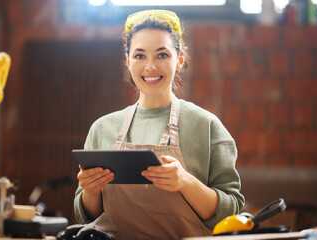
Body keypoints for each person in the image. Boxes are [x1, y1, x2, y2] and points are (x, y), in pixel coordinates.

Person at [74, 9, 244, 240]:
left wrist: (185, 182)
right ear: (128, 60)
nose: (150, 67)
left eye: (162, 55)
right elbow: (86, 215)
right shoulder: (102, 129)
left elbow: (230, 210)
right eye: (140, 55)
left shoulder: (207, 126)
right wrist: (91, 191)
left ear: (179, 59)